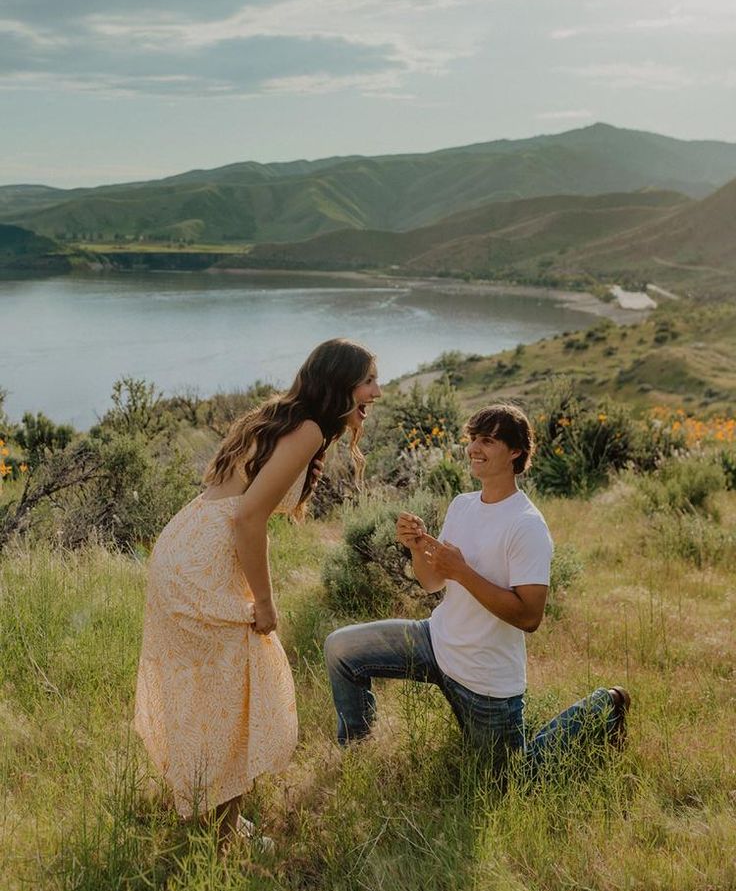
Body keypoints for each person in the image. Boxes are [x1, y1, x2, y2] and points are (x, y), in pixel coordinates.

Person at [135, 338, 381, 848]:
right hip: (203, 562)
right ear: (340, 383)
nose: (377, 392)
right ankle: (222, 834)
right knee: (237, 690)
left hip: (188, 541)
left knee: (212, 691)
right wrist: (265, 603)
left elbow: (227, 495)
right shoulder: (308, 428)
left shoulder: (281, 416)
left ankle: (206, 809)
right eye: (369, 381)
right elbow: (248, 518)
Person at [324, 402, 629, 781]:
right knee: (341, 649)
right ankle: (357, 758)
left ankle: (605, 706)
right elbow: (433, 582)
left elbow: (529, 617)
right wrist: (418, 548)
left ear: (516, 451)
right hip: (436, 642)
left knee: (508, 784)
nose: (473, 449)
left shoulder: (527, 525)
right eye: (472, 440)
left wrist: (463, 572)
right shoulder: (463, 505)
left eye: (487, 440)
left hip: (485, 679)